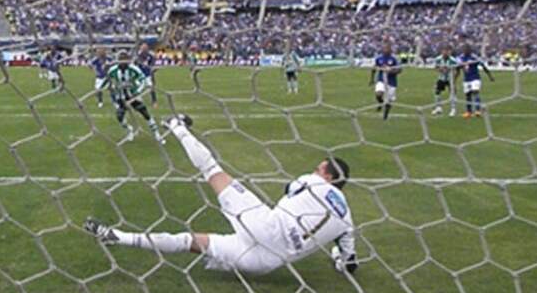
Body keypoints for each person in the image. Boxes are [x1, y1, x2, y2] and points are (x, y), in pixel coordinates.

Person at [84, 114, 357, 276]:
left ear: (329, 177)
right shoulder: (347, 221)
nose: (314, 169)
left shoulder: (314, 182)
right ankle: (116, 237)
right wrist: (338, 258)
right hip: (269, 261)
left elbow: (290, 189)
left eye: (319, 168)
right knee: (190, 241)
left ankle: (176, 125)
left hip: (266, 225)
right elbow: (350, 262)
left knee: (211, 169)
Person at [101, 50, 164, 143]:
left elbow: (143, 79)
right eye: (121, 59)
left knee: (145, 113)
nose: (123, 61)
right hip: (121, 96)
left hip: (133, 95)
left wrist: (138, 91)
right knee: (119, 116)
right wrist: (101, 88)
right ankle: (129, 130)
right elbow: (107, 79)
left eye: (125, 59)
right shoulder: (113, 70)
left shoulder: (133, 68)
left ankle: (157, 134)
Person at [456, 43, 494, 118]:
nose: (466, 50)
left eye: (467, 49)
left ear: (470, 50)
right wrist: (455, 79)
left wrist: (490, 75)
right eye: (464, 49)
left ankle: (478, 110)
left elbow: (483, 66)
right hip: (466, 79)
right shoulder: (460, 58)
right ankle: (469, 112)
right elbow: (458, 69)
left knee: (475, 92)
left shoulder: (474, 57)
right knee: (468, 95)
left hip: (475, 78)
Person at [369, 42, 400, 120]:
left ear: (390, 50)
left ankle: (385, 116)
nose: (385, 50)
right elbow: (374, 68)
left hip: (391, 82)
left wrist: (391, 71)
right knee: (378, 94)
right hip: (381, 80)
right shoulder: (379, 58)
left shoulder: (394, 59)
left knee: (388, 101)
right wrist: (372, 79)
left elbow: (399, 70)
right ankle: (380, 103)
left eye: (387, 48)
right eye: (384, 48)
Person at [432, 45, 457, 117]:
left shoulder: (453, 60)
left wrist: (454, 78)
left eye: (447, 51)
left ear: (450, 52)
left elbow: (456, 70)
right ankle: (438, 107)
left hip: (450, 79)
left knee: (452, 92)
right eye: (444, 50)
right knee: (437, 91)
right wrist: (440, 70)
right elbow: (435, 67)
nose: (445, 52)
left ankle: (453, 109)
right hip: (441, 78)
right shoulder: (438, 59)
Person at [136, 42, 158, 107]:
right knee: (138, 88)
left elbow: (153, 63)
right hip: (140, 75)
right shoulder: (138, 55)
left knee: (151, 87)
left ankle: (154, 101)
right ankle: (138, 99)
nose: (144, 48)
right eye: (143, 47)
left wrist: (152, 68)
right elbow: (136, 63)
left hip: (147, 74)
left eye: (145, 47)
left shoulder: (150, 55)